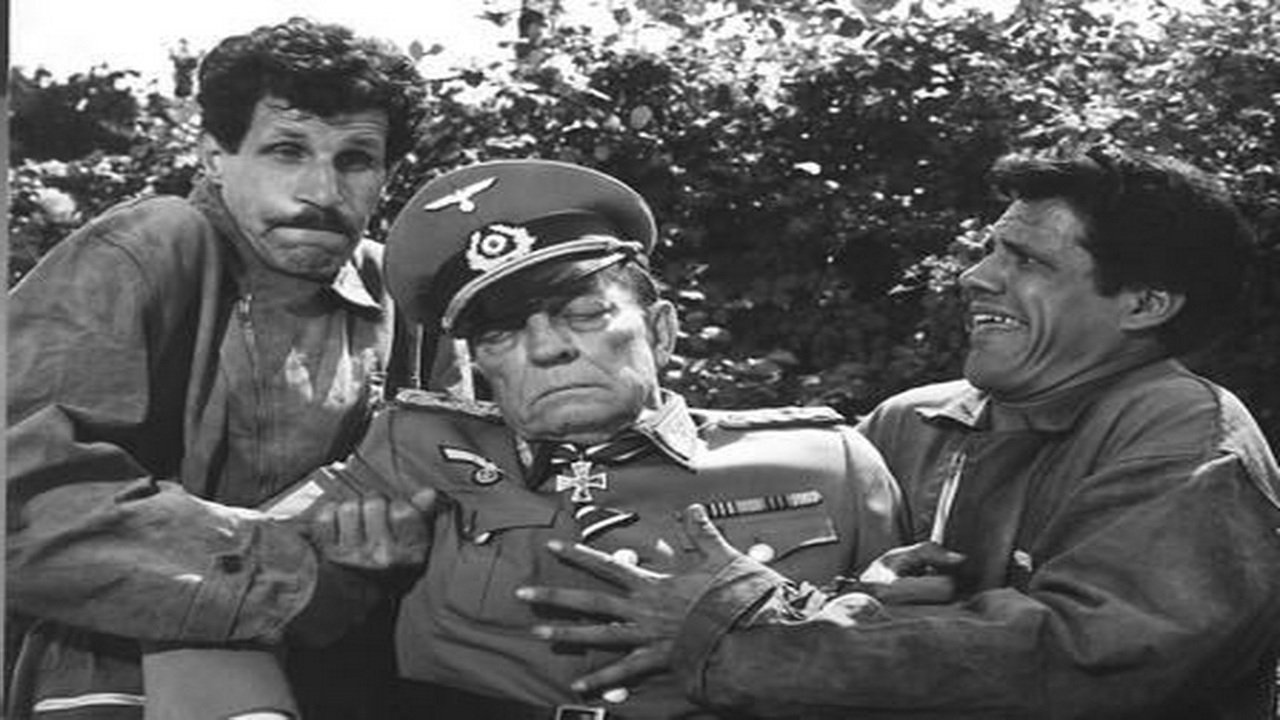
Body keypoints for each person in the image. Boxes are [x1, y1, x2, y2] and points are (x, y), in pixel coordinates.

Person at [519, 145, 1280, 719]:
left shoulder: (1189, 436)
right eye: (990, 249)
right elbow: (830, 603)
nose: (976, 276)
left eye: (1026, 259)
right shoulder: (912, 420)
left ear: (1145, 304)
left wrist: (735, 632)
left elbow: (1090, 657)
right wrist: (856, 594)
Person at [289, 158, 905, 719]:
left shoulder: (830, 463)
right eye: (501, 334)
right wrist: (350, 580)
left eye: (584, 314)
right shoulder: (416, 447)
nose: (546, 348)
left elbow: (905, 668)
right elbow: (264, 581)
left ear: (660, 333)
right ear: (482, 365)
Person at [6, 17, 432, 720]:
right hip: (120, 669)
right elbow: (22, 497)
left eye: (356, 159)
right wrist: (294, 578)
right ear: (214, 156)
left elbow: (456, 473)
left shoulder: (399, 293)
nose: (322, 191)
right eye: (287, 150)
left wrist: (405, 533)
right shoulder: (149, 248)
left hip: (335, 671)